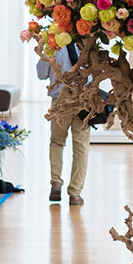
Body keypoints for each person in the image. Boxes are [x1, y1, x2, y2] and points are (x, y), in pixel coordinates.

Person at [36, 42, 90, 206]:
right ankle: (75, 193)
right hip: (82, 101)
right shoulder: (87, 45)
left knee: (57, 142)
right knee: (80, 147)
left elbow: (41, 73)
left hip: (59, 101)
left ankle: (56, 183)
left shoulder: (54, 46)